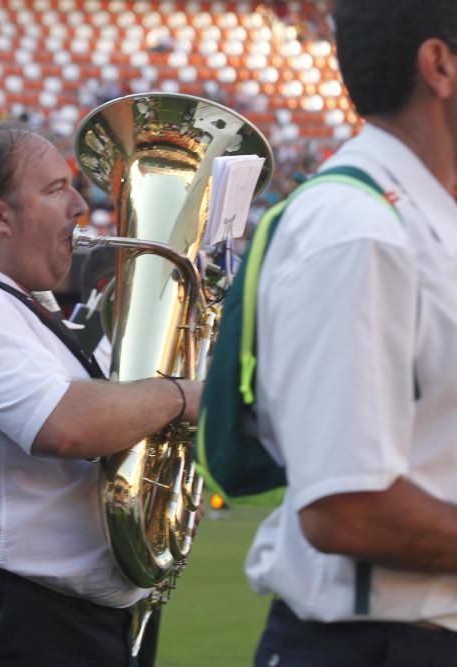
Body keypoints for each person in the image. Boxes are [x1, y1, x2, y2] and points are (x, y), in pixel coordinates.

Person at [0, 122, 202, 665]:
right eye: (56, 189)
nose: (81, 205)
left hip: (35, 614)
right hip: (5, 617)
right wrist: (183, 394)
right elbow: (65, 425)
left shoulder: (6, 302)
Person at [245, 2, 457, 665]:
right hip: (376, 645)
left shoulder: (419, 218)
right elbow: (349, 508)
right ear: (440, 65)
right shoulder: (355, 228)